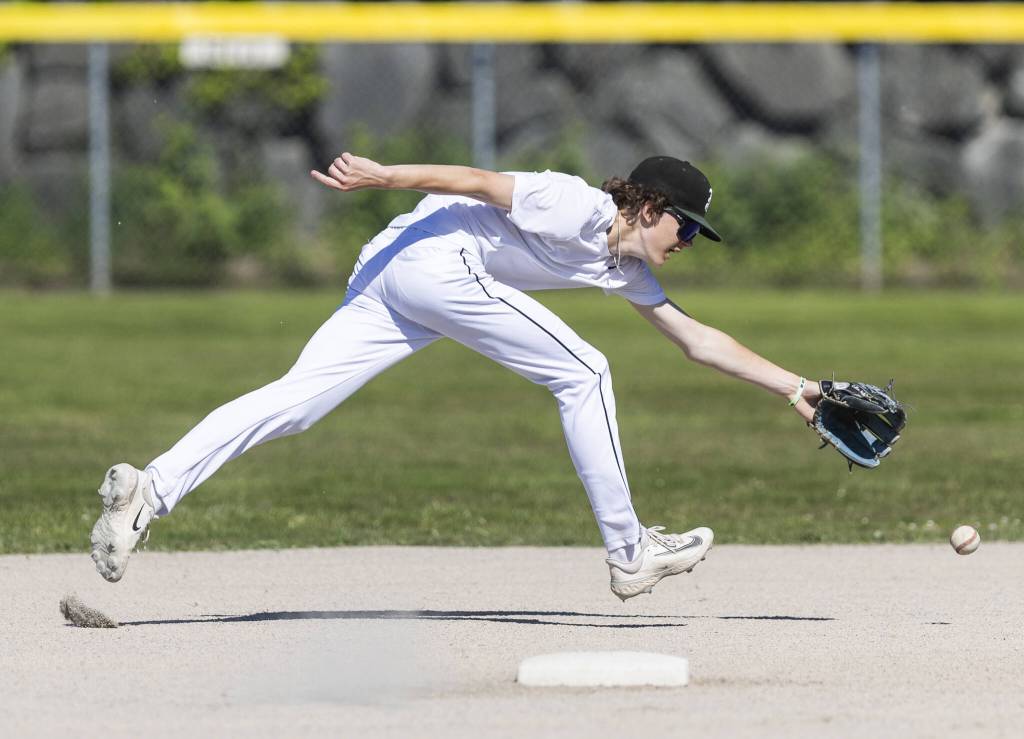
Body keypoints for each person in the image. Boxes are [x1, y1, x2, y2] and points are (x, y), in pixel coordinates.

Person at [90, 153, 823, 601]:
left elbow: (696, 339)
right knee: (586, 373)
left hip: (397, 273)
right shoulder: (579, 204)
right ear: (652, 208)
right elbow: (473, 179)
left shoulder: (622, 262)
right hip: (430, 261)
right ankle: (631, 555)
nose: (690, 242)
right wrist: (383, 176)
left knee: (296, 403)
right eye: (687, 227)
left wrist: (799, 389)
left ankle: (146, 489)